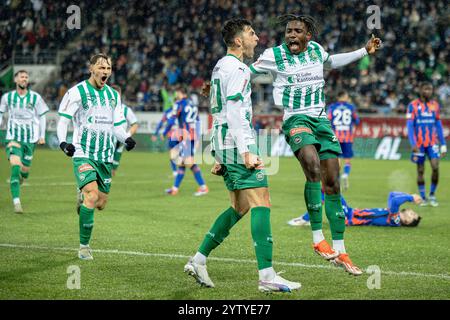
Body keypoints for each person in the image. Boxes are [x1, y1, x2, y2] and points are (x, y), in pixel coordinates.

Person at [250, 14, 382, 275]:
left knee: (332, 183)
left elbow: (332, 62)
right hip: (296, 119)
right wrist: (219, 82)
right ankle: (317, 239)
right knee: (312, 165)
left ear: (308, 35)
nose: (291, 35)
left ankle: (341, 250)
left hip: (321, 121)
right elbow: (247, 71)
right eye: (288, 31)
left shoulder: (317, 51)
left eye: (297, 31)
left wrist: (363, 51)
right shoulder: (274, 55)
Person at [184, 18, 300, 292]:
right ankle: (267, 275)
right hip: (237, 143)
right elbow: (235, 111)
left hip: (224, 142)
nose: (257, 38)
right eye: (251, 33)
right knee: (261, 201)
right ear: (238, 40)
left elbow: (219, 108)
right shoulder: (236, 68)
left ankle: (198, 260)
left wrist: (219, 154)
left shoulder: (221, 66)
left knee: (240, 206)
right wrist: (247, 150)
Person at [57, 53, 136, 260]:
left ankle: (82, 194)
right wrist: (63, 142)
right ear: (91, 68)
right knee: (92, 196)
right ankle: (84, 247)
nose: (105, 72)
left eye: (108, 68)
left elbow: (118, 125)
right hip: (83, 152)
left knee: (100, 203)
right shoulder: (77, 92)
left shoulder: (113, 95)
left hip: (105, 156)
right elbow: (64, 119)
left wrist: (126, 138)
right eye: (101, 68)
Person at [0, 70, 49, 213]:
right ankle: (17, 202)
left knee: (25, 171)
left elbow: (42, 117)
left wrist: (42, 135)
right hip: (13, 138)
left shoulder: (35, 97)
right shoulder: (7, 97)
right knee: (15, 166)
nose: (24, 79)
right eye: (22, 77)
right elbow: (1, 113)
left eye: (26, 77)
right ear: (16, 80)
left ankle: (22, 175)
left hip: (30, 140)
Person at [407, 82, 447, 207]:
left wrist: (443, 144)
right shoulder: (412, 106)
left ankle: (432, 195)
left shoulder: (435, 105)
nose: (428, 91)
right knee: (420, 170)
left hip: (432, 143)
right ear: (420, 90)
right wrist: (413, 143)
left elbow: (439, 125)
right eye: (426, 89)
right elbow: (410, 126)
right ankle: (423, 197)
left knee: (435, 167)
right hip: (419, 144)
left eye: (430, 89)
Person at [163, 86, 208, 196]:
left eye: (177, 93)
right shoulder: (192, 104)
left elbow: (171, 120)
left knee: (188, 162)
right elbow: (197, 121)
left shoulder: (178, 104)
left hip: (186, 136)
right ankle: (175, 189)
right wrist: (197, 137)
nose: (176, 95)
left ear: (180, 93)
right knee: (182, 163)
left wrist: (165, 132)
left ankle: (203, 187)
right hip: (191, 136)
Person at [288, 191, 422, 228]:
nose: (410, 212)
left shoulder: (395, 220)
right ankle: (307, 218)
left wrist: (411, 197)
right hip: (351, 213)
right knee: (329, 193)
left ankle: (305, 219)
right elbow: (392, 194)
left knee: (331, 194)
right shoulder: (393, 213)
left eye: (412, 217)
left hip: (350, 218)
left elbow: (395, 201)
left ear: (407, 223)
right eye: (413, 212)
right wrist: (409, 196)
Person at [327, 91, 360, 191]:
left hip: (335, 137)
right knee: (347, 159)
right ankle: (345, 174)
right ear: (344, 97)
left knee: (337, 159)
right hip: (347, 137)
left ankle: (336, 179)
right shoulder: (351, 107)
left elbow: (327, 120)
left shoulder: (332, 107)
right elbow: (357, 121)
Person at [110, 85, 139, 177]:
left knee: (112, 171)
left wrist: (126, 136)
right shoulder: (102, 108)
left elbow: (135, 124)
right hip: (105, 139)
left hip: (118, 140)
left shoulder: (125, 109)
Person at [153, 106, 179, 177]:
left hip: (172, 135)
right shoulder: (181, 109)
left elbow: (161, 123)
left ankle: (175, 172)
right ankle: (178, 171)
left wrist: (156, 133)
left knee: (172, 154)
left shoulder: (168, 112)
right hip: (182, 134)